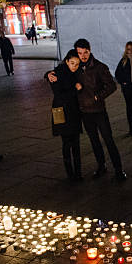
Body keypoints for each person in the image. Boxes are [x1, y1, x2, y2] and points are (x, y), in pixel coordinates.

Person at [48, 39, 126, 180]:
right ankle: (101, 166)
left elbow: (112, 86)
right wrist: (48, 74)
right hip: (84, 112)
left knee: (108, 140)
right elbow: (60, 71)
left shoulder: (99, 67)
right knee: (94, 141)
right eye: (80, 53)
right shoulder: (76, 66)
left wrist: (97, 97)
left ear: (90, 50)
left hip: (98, 110)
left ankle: (118, 169)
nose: (83, 56)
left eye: (85, 52)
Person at [48, 49, 83, 182]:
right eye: (72, 63)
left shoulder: (75, 73)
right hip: (61, 111)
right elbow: (59, 95)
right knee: (67, 143)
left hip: (73, 111)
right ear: (67, 61)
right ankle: (70, 174)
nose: (75, 66)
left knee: (75, 143)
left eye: (77, 64)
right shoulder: (58, 74)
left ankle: (78, 173)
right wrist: (76, 89)